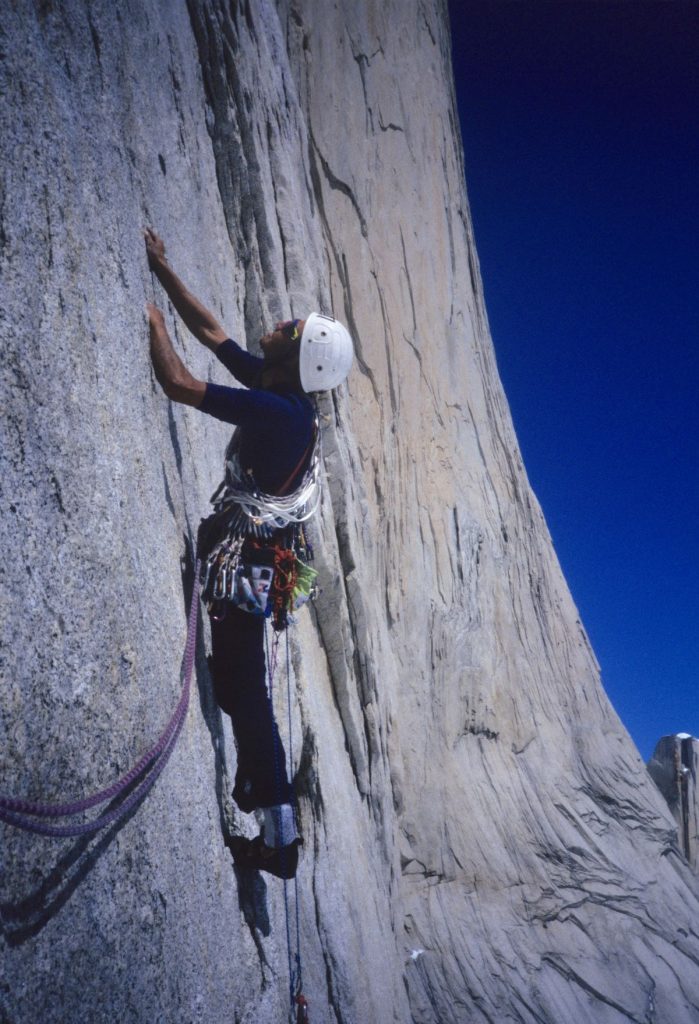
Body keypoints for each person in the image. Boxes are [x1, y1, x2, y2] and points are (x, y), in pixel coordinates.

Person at [144, 228, 353, 878]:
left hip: (252, 563)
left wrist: (146, 317)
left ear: (298, 362)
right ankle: (268, 809)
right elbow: (211, 336)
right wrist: (163, 270)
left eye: (291, 335)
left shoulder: (280, 412)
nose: (279, 329)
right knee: (241, 689)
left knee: (247, 692)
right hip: (264, 560)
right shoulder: (281, 395)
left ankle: (281, 836)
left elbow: (178, 381)